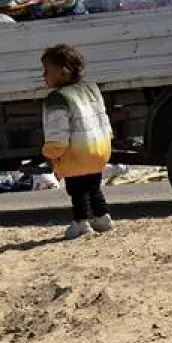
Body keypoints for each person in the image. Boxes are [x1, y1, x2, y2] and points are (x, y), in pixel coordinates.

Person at [40, 45, 115, 240]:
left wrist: (50, 153)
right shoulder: (92, 89)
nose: (44, 75)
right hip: (99, 149)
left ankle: (81, 222)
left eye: (47, 69)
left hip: (76, 154)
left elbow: (58, 135)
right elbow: (104, 119)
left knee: (76, 190)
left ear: (63, 70)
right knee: (93, 186)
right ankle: (102, 217)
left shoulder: (57, 98)